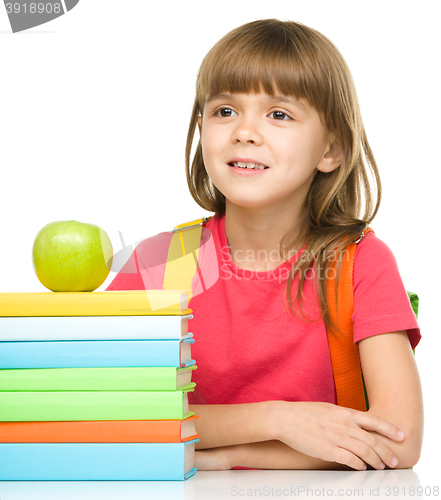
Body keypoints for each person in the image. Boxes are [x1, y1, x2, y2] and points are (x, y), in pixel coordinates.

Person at [106, 19, 423, 471]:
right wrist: (277, 418)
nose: (244, 131)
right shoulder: (161, 261)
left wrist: (231, 455)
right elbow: (112, 411)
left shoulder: (361, 263)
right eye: (225, 111)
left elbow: (398, 441)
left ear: (331, 149)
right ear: (202, 131)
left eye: (279, 114)